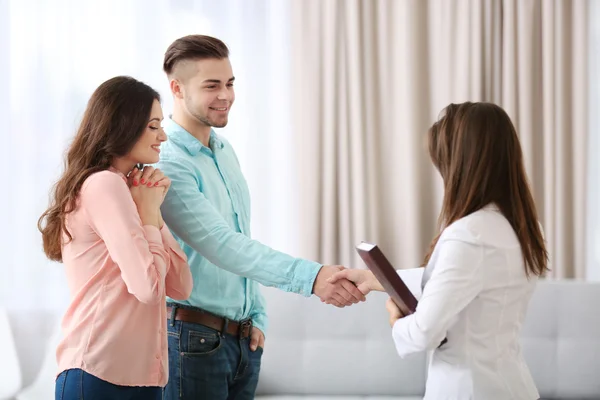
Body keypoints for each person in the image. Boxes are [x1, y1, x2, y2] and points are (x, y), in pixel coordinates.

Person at [155, 34, 365, 400]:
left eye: (230, 83)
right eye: (212, 86)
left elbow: (242, 238)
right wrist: (312, 278)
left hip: (240, 343)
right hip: (192, 342)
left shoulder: (224, 152)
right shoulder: (169, 161)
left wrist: (257, 317)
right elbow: (221, 245)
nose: (226, 95)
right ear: (177, 88)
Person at [329, 102, 547, 399]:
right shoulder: (524, 228)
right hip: (515, 386)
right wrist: (372, 279)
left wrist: (396, 318)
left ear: (462, 165)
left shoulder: (467, 235)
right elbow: (463, 278)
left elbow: (423, 333)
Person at [38, 76, 193, 400]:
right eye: (153, 126)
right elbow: (149, 289)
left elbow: (181, 286)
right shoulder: (103, 185)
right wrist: (149, 215)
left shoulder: (129, 191)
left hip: (142, 381)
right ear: (124, 125)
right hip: (98, 374)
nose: (163, 136)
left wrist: (151, 210)